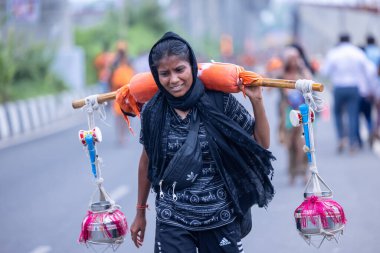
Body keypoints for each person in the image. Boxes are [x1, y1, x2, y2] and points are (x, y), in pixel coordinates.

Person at [130, 32, 275, 253]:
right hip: (172, 218)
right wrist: (140, 212)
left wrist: (257, 101)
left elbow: (261, 142)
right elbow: (146, 162)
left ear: (192, 68)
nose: (174, 80)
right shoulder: (153, 111)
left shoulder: (220, 102)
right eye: (164, 73)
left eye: (180, 70)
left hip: (220, 216)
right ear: (156, 75)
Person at [320, 33, 372, 153]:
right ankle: (353, 141)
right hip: (354, 86)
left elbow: (324, 71)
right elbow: (369, 70)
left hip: (339, 86)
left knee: (338, 113)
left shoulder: (334, 53)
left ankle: (341, 138)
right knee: (353, 114)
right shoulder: (357, 52)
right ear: (350, 40)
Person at [278, 46, 311, 185]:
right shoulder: (281, 75)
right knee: (290, 143)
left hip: (302, 111)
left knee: (303, 142)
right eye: (290, 58)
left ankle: (303, 171)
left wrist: (303, 68)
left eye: (296, 58)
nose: (293, 61)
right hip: (287, 112)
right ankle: (292, 172)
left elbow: (311, 82)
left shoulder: (303, 73)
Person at [109, 41, 135, 145]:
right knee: (118, 116)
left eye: (122, 51)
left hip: (129, 93)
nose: (121, 52)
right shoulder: (114, 63)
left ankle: (124, 134)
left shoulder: (129, 61)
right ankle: (120, 136)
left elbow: (134, 74)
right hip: (117, 92)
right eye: (120, 51)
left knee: (128, 115)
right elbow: (110, 78)